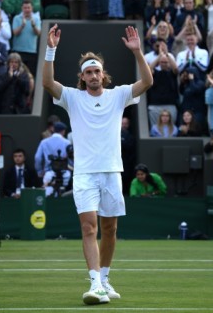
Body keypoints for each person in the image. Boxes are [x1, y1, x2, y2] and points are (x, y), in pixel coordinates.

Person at [42, 24, 153, 304]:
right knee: (89, 227)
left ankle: (104, 278)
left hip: (112, 172)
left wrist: (138, 52)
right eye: (88, 72)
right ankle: (94, 284)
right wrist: (51, 49)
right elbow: (46, 83)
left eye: (96, 71)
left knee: (110, 229)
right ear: (82, 77)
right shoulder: (72, 97)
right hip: (84, 174)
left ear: (103, 74)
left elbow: (148, 82)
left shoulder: (118, 95)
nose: (93, 75)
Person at [146, 52, 179, 127]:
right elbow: (148, 69)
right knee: (155, 129)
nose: (164, 64)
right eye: (162, 62)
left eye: (166, 62)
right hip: (155, 105)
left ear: (169, 63)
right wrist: (159, 57)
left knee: (170, 129)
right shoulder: (155, 73)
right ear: (159, 63)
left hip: (170, 105)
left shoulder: (172, 74)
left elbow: (176, 69)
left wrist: (167, 55)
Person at [11, 0, 41, 75]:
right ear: (22, 8)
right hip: (18, 51)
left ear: (32, 8)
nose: (27, 10)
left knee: (30, 75)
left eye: (28, 7)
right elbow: (15, 33)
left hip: (31, 51)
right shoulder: (17, 18)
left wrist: (33, 25)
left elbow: (38, 33)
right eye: (25, 8)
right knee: (17, 74)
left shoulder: (36, 19)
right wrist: (22, 25)